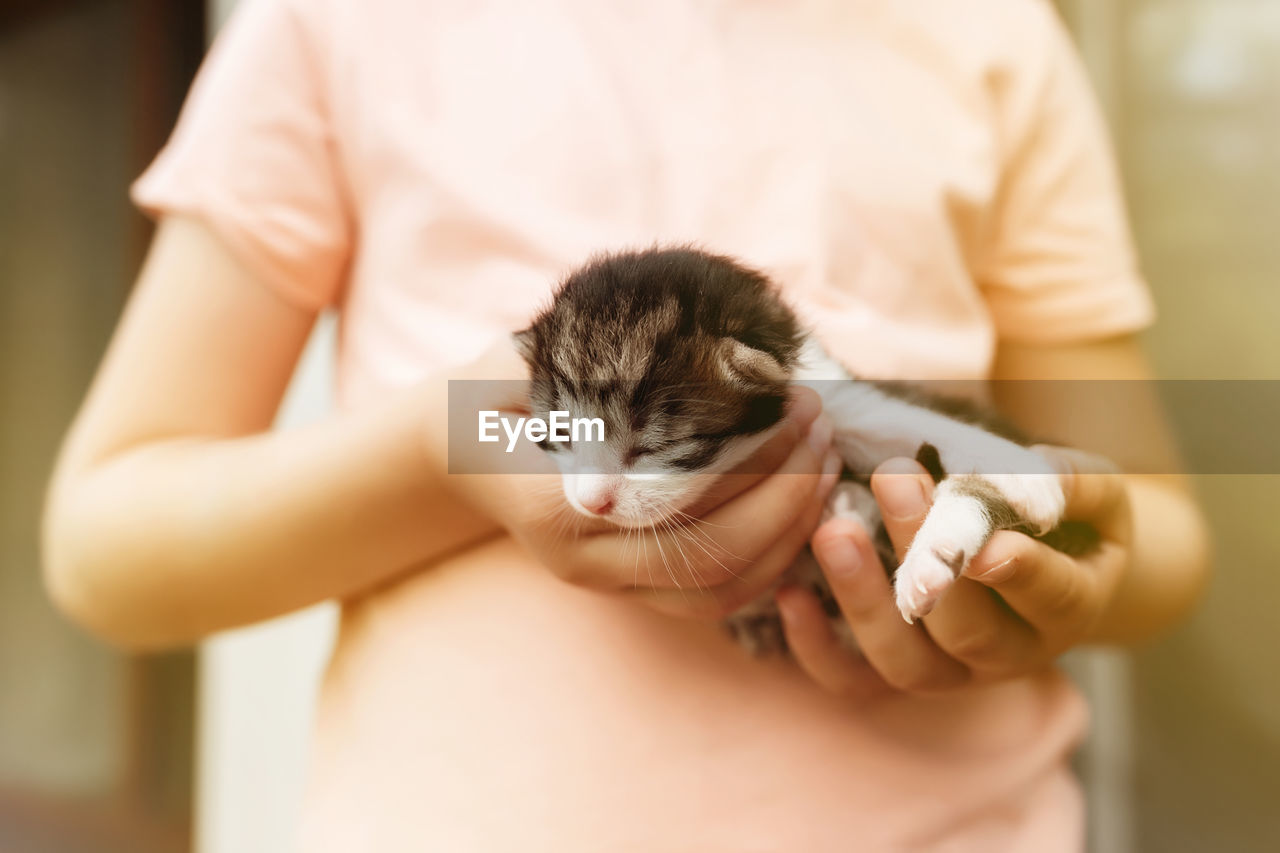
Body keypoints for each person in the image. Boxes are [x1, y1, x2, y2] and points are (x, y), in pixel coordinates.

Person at [43, 0, 1210, 849]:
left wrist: (1046, 579)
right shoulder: (340, 25)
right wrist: (463, 446)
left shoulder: (992, 38)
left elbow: (1151, 524)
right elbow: (107, 549)